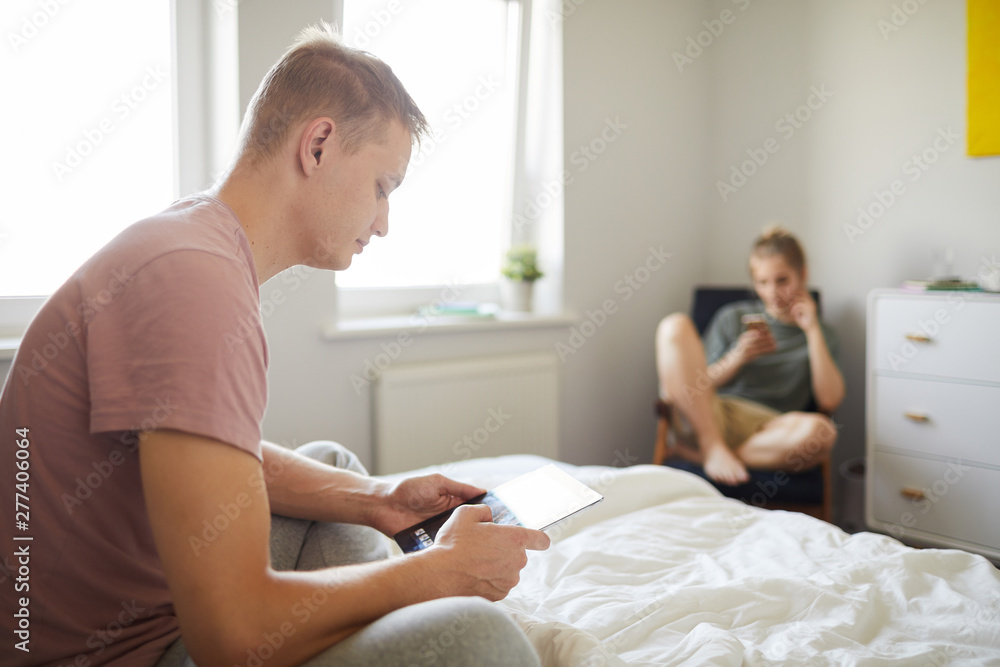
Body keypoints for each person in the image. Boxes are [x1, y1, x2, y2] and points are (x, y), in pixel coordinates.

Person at [0, 23, 549, 667]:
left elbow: (202, 450)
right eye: (382, 187)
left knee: (340, 470)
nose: (383, 223)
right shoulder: (194, 284)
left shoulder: (188, 242)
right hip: (119, 653)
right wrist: (442, 575)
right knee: (481, 639)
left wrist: (383, 499)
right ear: (318, 145)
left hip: (127, 613)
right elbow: (229, 635)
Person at [654, 225, 845, 486]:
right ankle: (712, 447)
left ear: (802, 274)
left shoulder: (823, 334)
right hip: (712, 414)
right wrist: (736, 359)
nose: (772, 293)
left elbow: (829, 401)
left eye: (782, 280)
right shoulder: (731, 317)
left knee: (823, 433)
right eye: (762, 283)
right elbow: (692, 387)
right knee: (673, 326)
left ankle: (706, 457)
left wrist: (812, 330)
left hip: (771, 430)